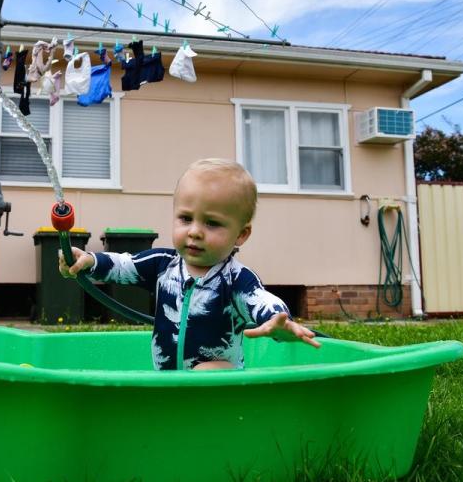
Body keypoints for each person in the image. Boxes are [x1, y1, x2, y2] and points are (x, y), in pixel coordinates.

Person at [59, 158, 320, 371]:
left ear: (241, 234)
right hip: (169, 377)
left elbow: (261, 300)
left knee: (207, 371)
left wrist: (277, 320)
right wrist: (89, 260)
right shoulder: (163, 265)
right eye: (186, 218)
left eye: (212, 223)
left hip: (220, 382)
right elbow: (123, 265)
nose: (195, 231)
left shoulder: (236, 280)